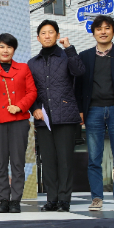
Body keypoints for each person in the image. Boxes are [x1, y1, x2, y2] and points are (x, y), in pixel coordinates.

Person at [74, 15, 114, 211]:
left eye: (107, 28)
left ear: (113, 31)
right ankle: (97, 199)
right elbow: (79, 86)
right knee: (94, 157)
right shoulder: (85, 56)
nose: (103, 31)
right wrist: (80, 110)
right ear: (93, 32)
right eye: (99, 28)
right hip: (93, 109)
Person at [28, 20, 86, 212]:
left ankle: (64, 200)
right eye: (43, 33)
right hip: (43, 119)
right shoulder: (32, 63)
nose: (47, 36)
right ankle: (51, 199)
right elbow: (30, 90)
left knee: (65, 160)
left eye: (51, 32)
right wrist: (34, 108)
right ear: (38, 38)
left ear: (57, 35)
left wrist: (70, 49)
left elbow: (79, 71)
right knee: (48, 160)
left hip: (65, 115)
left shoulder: (66, 56)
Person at [0, 33, 37, 213]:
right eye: (1, 47)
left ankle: (16, 200)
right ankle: (3, 199)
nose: (5, 51)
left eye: (9, 47)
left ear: (14, 49)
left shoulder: (23, 68)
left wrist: (20, 107)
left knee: (18, 162)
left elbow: (32, 92)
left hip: (19, 121)